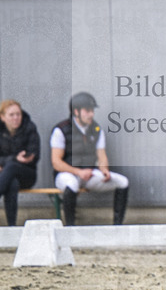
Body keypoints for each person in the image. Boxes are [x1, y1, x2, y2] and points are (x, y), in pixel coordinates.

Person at [50, 91, 129, 226]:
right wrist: (78, 172)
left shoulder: (96, 129)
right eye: (87, 111)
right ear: (76, 112)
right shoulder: (61, 130)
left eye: (92, 110)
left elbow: (101, 155)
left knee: (122, 182)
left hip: (88, 173)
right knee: (72, 184)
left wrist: (104, 170)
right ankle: (70, 228)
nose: (91, 114)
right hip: (66, 174)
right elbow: (56, 162)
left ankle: (117, 226)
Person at [0, 99, 41, 226]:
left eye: (18, 114)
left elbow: (35, 155)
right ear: (2, 117)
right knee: (12, 183)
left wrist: (15, 161)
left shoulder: (30, 127)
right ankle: (11, 227)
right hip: (4, 177)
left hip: (27, 174)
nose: (16, 118)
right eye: (11, 115)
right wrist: (15, 158)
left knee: (11, 167)